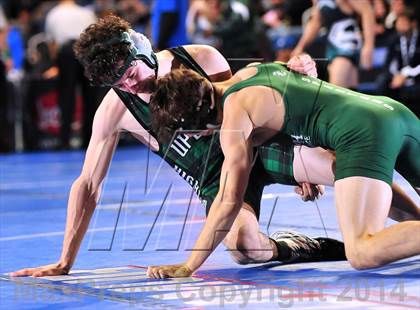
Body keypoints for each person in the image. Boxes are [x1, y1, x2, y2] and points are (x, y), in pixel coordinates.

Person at [10, 15, 346, 278]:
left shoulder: (202, 59)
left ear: (140, 47)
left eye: (129, 71)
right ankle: (300, 246)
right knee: (245, 249)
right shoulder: (115, 110)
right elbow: (87, 184)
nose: (130, 84)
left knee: (340, 167)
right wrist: (65, 260)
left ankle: (389, 231)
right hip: (217, 179)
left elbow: (251, 103)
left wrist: (305, 149)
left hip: (256, 148)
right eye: (118, 82)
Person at [147, 61, 420, 277]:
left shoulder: (233, 122)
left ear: (201, 123)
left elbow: (228, 200)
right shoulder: (253, 70)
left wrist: (190, 264)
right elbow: (308, 105)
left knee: (362, 251)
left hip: (362, 133)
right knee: (404, 225)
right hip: (395, 112)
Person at [292, 0, 375, 89]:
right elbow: (315, 22)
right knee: (349, 91)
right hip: (332, 46)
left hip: (346, 45)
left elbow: (367, 10)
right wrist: (300, 46)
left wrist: (368, 45)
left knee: (335, 91)